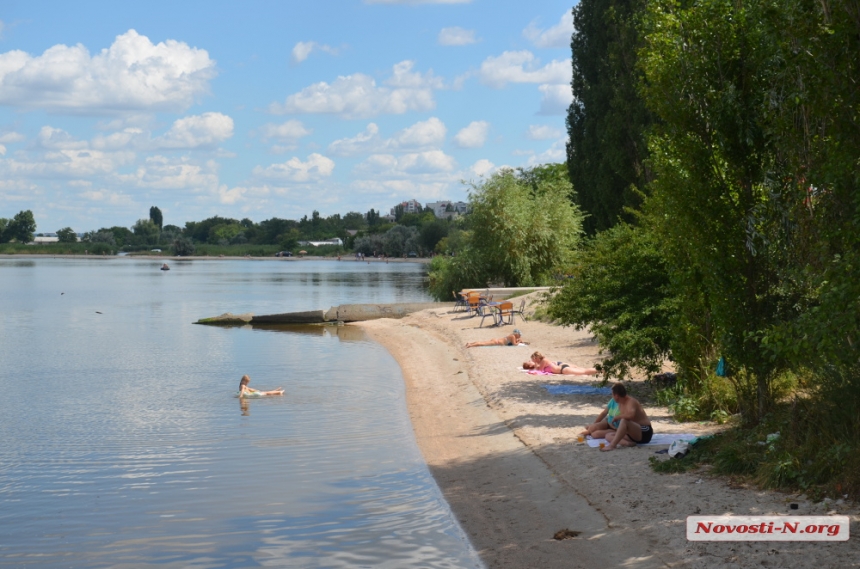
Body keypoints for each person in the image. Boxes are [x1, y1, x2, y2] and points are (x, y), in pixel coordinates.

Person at [598, 383, 653, 451]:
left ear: (616, 395)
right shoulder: (620, 404)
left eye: (612, 395)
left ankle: (612, 445)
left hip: (644, 431)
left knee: (624, 420)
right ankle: (627, 443)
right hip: (632, 433)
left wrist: (617, 417)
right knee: (608, 435)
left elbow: (630, 415)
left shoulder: (631, 401)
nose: (612, 397)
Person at [523, 351, 599, 375]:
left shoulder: (543, 361)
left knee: (584, 372)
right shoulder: (544, 360)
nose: (534, 361)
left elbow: (539, 370)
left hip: (563, 370)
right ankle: (600, 370)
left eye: (534, 359)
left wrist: (535, 365)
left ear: (536, 358)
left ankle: (600, 370)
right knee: (583, 370)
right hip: (562, 368)